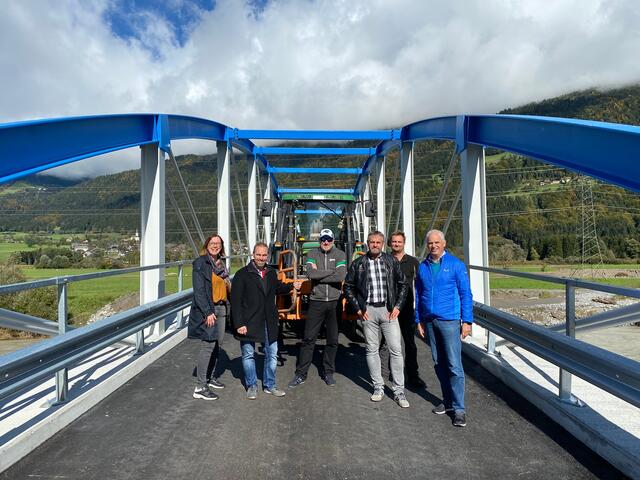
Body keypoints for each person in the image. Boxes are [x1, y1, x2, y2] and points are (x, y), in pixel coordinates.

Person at [344, 231, 410, 408]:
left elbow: (403, 285)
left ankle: (398, 391)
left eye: (378, 242)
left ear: (382, 244)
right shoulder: (358, 264)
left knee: (396, 349)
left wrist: (397, 307)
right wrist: (358, 308)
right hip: (369, 312)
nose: (375, 244)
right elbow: (348, 287)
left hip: (388, 311)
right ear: (367, 243)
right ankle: (378, 387)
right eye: (372, 242)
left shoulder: (391, 261)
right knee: (371, 350)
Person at [415, 229, 473, 427]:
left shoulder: (456, 265)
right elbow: (419, 294)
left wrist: (467, 321)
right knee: (439, 363)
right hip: (429, 321)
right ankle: (447, 402)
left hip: (449, 320)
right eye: (430, 243)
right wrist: (419, 320)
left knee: (454, 365)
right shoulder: (423, 266)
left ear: (444, 243)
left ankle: (459, 409)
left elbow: (466, 294)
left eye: (437, 242)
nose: (433, 246)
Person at [231, 242, 301, 399]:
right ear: (253, 255)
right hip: (249, 321)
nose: (261, 258)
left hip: (268, 319)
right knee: (248, 354)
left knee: (272, 354)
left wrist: (291, 286)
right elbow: (235, 302)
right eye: (258, 255)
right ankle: (252, 386)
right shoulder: (242, 274)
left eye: (264, 255)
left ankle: (270, 385)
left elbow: (277, 288)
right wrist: (239, 324)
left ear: (268, 256)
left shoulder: (270, 272)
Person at [288, 228, 346, 388]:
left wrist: (321, 274)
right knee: (308, 339)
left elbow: (341, 276)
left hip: (335, 301)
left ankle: (328, 372)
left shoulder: (340, 254)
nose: (326, 242)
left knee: (333, 340)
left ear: (333, 240)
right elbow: (311, 274)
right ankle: (301, 374)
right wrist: (331, 272)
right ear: (319, 241)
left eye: (328, 239)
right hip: (317, 301)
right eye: (323, 239)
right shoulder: (312, 254)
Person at [188, 234, 230, 400]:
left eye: (218, 244)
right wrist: (207, 312)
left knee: (217, 345)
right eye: (212, 243)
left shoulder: (221, 264)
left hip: (221, 307)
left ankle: (210, 377)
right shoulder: (200, 263)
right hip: (210, 310)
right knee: (208, 345)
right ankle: (200, 386)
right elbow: (199, 291)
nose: (215, 246)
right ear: (207, 245)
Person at [382, 231, 425, 389]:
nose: (396, 244)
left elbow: (420, 287)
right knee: (389, 343)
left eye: (399, 242)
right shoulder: (384, 260)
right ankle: (389, 373)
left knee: (409, 343)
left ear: (404, 243)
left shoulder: (413, 262)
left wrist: (420, 309)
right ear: (389, 243)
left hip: (407, 309)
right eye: (394, 242)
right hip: (388, 307)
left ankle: (413, 375)